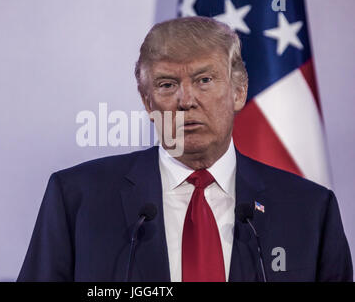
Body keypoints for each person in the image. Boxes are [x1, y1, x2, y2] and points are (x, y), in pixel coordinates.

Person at [17, 16, 352, 282]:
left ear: (238, 91)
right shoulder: (77, 198)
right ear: (148, 102)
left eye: (204, 80)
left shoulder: (310, 210)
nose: (186, 101)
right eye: (167, 85)